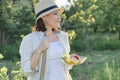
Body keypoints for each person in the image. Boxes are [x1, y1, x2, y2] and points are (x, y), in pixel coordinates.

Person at [19, 0, 74, 80]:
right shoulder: (29, 39)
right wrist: (38, 50)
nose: (59, 17)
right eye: (55, 14)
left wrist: (71, 60)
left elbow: (66, 66)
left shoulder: (63, 36)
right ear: (44, 17)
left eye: (59, 14)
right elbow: (26, 72)